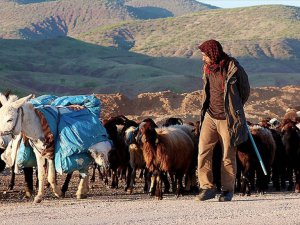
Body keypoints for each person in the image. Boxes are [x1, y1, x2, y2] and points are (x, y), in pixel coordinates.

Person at [195, 39, 250, 202]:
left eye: (205, 55)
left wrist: (235, 108)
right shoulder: (207, 68)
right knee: (203, 151)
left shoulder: (233, 68)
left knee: (228, 154)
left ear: (213, 53)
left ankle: (227, 190)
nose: (203, 58)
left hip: (228, 119)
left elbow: (245, 91)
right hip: (210, 116)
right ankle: (207, 187)